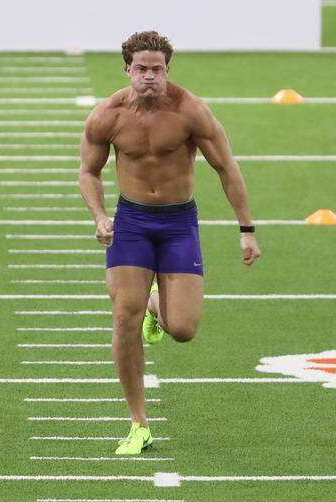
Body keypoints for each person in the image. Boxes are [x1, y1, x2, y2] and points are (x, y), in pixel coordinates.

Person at [78, 31, 261, 456]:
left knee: (183, 329)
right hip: (132, 221)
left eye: (157, 70)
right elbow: (89, 171)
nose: (149, 77)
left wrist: (246, 229)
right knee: (124, 316)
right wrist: (100, 216)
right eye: (141, 69)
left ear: (167, 71)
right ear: (127, 70)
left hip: (179, 224)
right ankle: (138, 423)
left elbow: (226, 167)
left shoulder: (190, 111)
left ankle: (156, 306)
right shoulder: (106, 114)